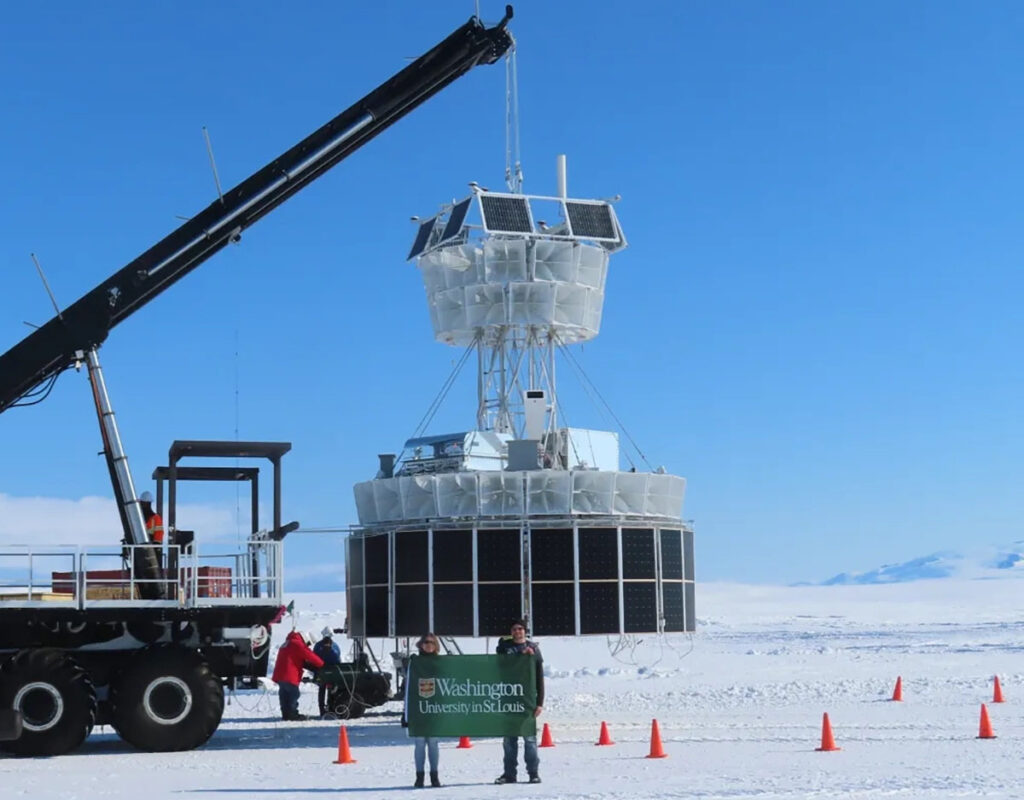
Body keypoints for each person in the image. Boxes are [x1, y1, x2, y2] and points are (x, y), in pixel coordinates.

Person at [494, 619, 544, 785]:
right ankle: (509, 774)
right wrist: (517, 655)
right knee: (509, 741)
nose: (517, 632)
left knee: (529, 740)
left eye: (520, 629)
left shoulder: (534, 649)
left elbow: (539, 677)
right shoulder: (505, 648)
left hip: (527, 702)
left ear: (525, 631)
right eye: (514, 629)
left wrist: (540, 702)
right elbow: (499, 664)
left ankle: (533, 773)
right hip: (508, 700)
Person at [408, 632, 442, 788]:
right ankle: (419, 776)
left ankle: (434, 775)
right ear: (421, 644)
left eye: (432, 642)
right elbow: (409, 688)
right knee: (420, 743)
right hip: (418, 708)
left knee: (433, 742)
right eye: (426, 642)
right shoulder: (415, 662)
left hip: (435, 708)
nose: (429, 644)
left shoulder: (440, 662)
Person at [271, 630, 324, 720]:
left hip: (280, 676)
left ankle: (286, 715)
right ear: (305, 639)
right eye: (307, 644)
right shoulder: (297, 644)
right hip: (289, 675)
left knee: (284, 696)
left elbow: (295, 658)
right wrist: (321, 664)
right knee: (293, 695)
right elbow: (310, 655)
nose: (307, 646)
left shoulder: (287, 643)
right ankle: (292, 715)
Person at [313, 626, 341, 717]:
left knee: (330, 690)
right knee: (323, 689)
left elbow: (337, 658)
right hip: (323, 672)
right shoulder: (319, 646)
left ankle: (330, 708)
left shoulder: (333, 646)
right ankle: (323, 709)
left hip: (328, 672)